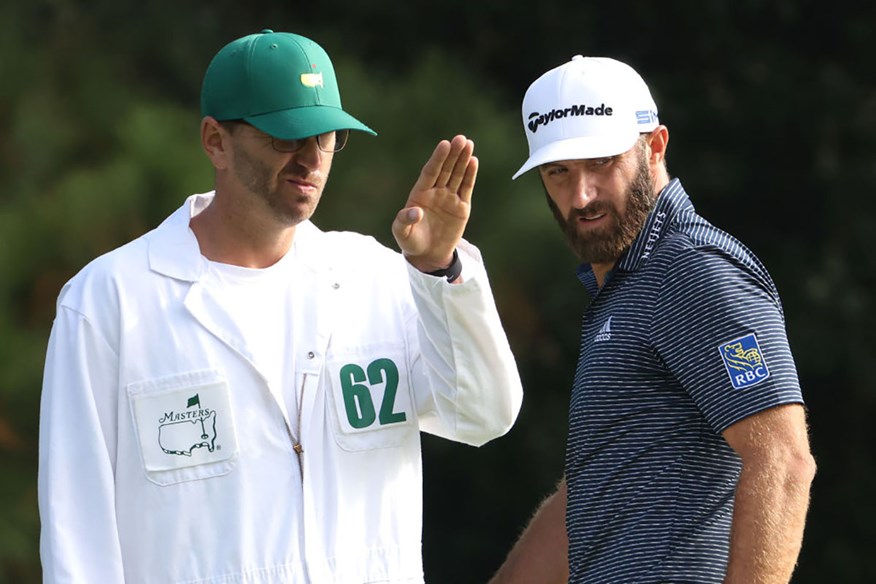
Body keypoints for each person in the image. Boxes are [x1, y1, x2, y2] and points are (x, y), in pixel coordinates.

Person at [38, 29, 523, 584]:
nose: (310, 158)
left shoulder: (379, 277)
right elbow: (78, 531)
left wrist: (440, 270)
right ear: (215, 141)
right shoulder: (108, 301)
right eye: (285, 136)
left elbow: (483, 415)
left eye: (326, 136)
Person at [489, 55, 816, 583]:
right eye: (558, 172)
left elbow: (781, 461)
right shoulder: (622, 289)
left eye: (601, 163)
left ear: (655, 146)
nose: (581, 196)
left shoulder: (692, 270)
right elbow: (596, 490)